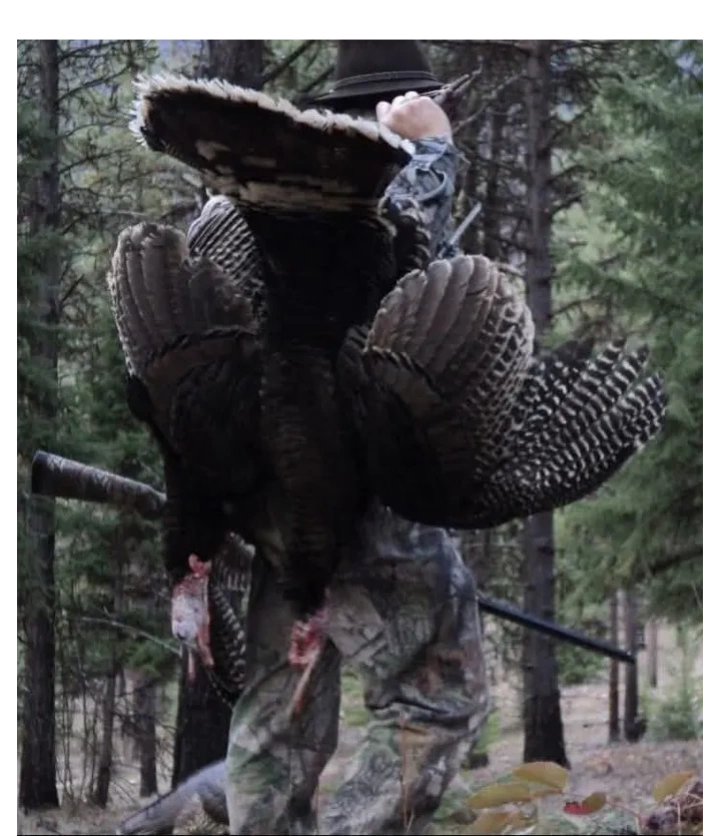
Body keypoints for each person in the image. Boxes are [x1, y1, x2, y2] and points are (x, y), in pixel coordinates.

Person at [224, 36, 489, 835]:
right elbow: (389, 252)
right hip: (362, 482)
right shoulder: (359, 186)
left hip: (277, 487)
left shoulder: (271, 203)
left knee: (282, 706)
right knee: (437, 698)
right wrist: (432, 148)